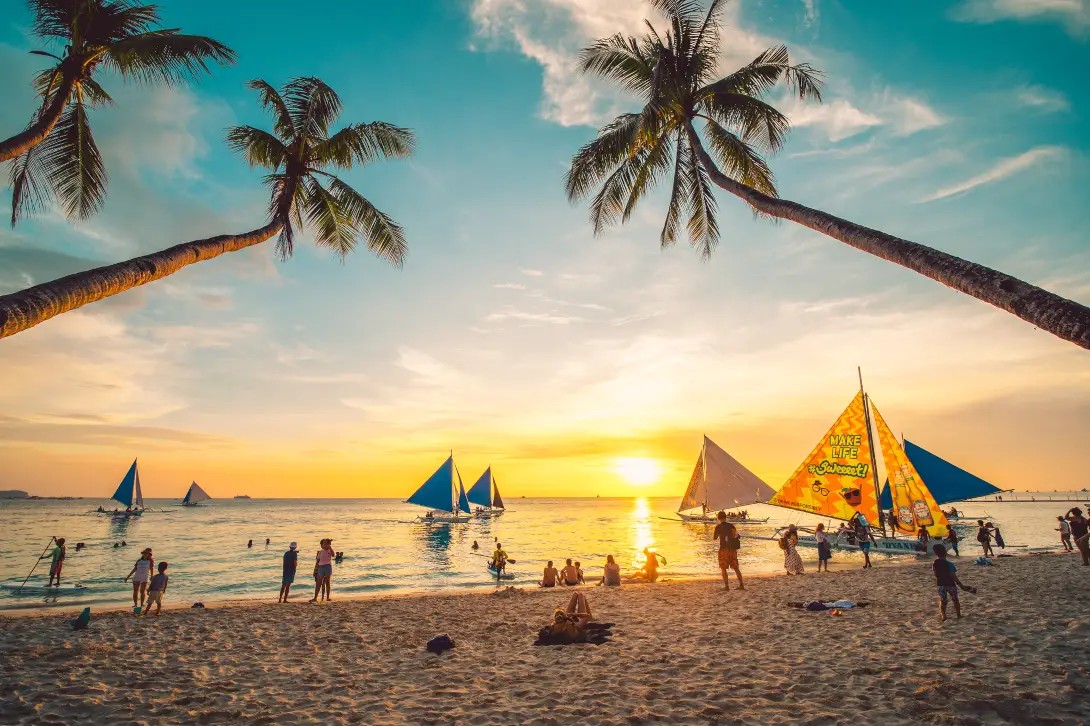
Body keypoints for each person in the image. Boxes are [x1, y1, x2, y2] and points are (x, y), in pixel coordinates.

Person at [932, 544, 973, 621]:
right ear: (945, 552)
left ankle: (943, 615)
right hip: (950, 584)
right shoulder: (949, 564)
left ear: (935, 553)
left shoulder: (934, 563)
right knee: (955, 600)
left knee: (943, 600)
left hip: (941, 584)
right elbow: (953, 575)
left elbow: (935, 574)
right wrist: (960, 584)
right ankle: (958, 614)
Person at [713, 511, 745, 588]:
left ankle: (727, 586)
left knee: (723, 568)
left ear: (718, 518)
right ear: (725, 517)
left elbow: (714, 538)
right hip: (732, 549)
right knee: (736, 568)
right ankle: (741, 585)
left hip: (723, 549)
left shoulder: (718, 527)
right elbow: (736, 536)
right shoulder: (731, 526)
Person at [310, 538, 335, 603]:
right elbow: (317, 561)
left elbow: (333, 555)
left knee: (327, 582)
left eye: (324, 544)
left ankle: (327, 597)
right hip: (320, 567)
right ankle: (315, 598)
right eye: (323, 544)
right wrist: (315, 570)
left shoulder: (329, 550)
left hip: (327, 567)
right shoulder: (320, 552)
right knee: (318, 583)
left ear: (328, 545)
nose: (323, 545)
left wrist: (330, 547)